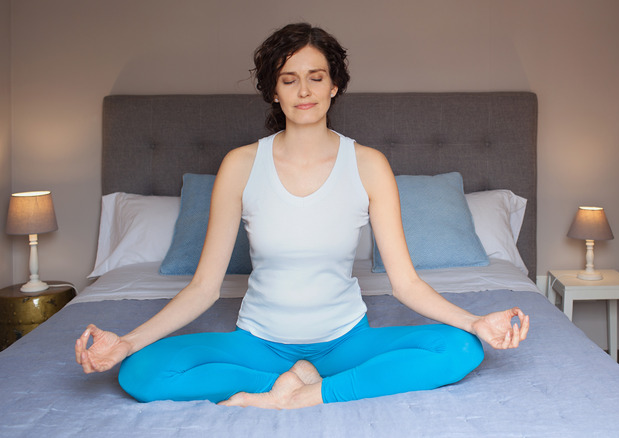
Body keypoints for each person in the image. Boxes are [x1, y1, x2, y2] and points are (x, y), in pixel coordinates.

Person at [75, 22, 530, 410]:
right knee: (141, 372)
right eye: (289, 79)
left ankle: (310, 393)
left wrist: (474, 322)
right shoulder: (239, 165)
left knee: (459, 349)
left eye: (316, 77)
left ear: (334, 85)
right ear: (274, 91)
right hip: (259, 344)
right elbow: (203, 288)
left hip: (346, 343)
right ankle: (281, 385)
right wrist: (128, 342)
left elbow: (405, 283)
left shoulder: (369, 165)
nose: (304, 91)